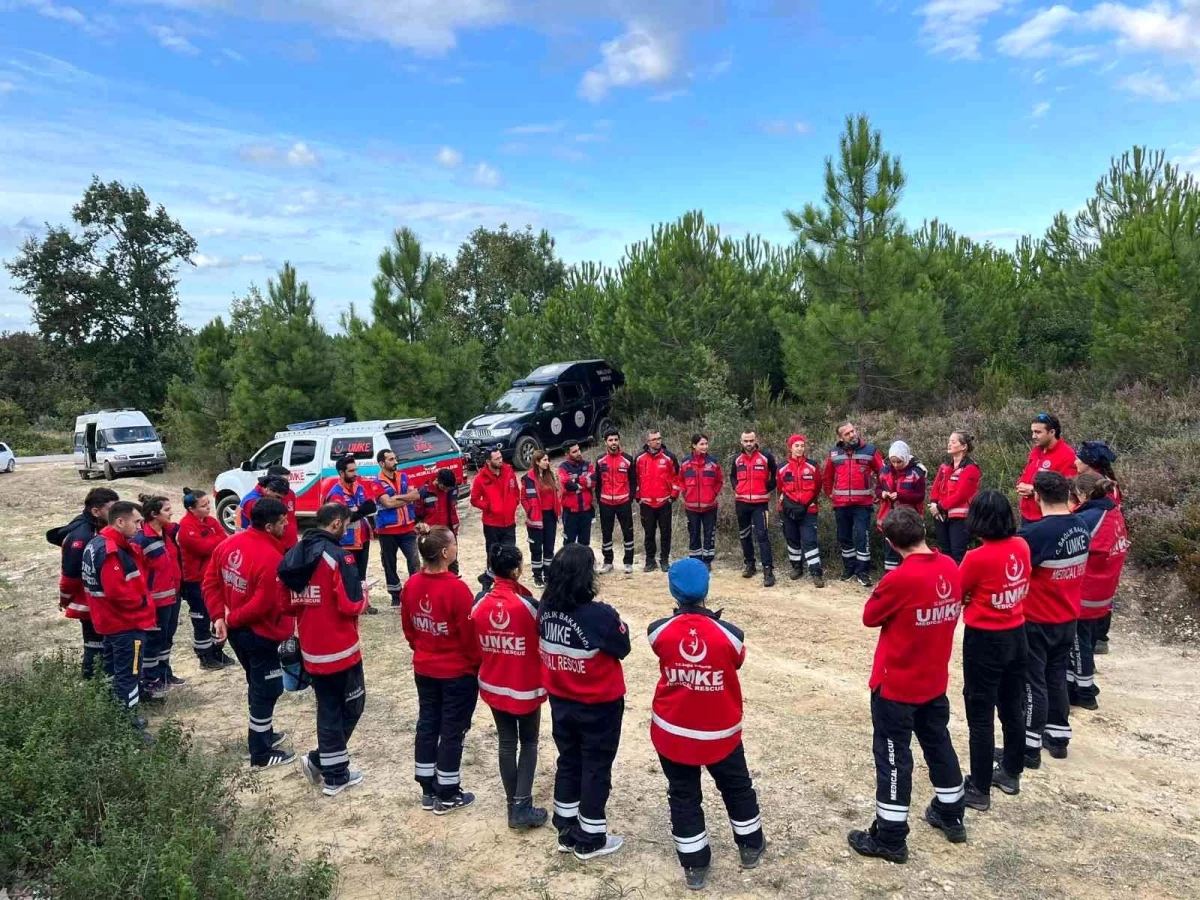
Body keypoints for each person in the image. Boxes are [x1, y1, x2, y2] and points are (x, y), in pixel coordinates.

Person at [848, 507, 966, 864]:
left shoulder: (899, 578)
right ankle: (952, 813)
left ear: (890, 542)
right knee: (939, 744)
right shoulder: (950, 567)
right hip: (933, 680)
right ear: (923, 531)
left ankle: (891, 837)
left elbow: (870, 617)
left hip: (896, 685)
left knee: (894, 759)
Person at [648, 559, 767, 890]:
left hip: (673, 732)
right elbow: (737, 660)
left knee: (683, 795)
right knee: (736, 787)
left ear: (673, 591)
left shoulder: (658, 631)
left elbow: (662, 646)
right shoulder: (731, 635)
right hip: (720, 733)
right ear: (707, 590)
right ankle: (750, 845)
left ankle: (694, 864)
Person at [539, 543, 630, 861]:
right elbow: (622, 646)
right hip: (598, 705)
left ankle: (565, 827)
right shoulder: (599, 615)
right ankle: (590, 837)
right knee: (595, 767)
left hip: (562, 702)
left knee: (569, 760)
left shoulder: (545, 608)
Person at [279, 502, 370, 794]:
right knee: (352, 705)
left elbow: (285, 603)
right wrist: (365, 594)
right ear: (335, 524)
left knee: (328, 708)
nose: (348, 529)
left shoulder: (294, 554)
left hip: (311, 648)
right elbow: (350, 605)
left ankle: (331, 770)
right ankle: (328, 768)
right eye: (346, 524)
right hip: (341, 648)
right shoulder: (338, 558)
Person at [203, 497, 296, 770]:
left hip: (238, 632)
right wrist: (229, 619)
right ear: (269, 526)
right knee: (266, 690)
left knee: (256, 684)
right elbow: (262, 604)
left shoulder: (228, 544)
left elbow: (210, 582)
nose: (287, 524)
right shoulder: (270, 559)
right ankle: (261, 753)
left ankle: (263, 732)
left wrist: (219, 617)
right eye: (282, 522)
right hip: (259, 634)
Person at [956, 491, 1030, 810]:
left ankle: (980, 787)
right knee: (1012, 707)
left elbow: (957, 592)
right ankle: (1011, 772)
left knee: (980, 715)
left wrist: (973, 599)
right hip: (1017, 633)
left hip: (985, 640)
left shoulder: (977, 558)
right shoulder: (1022, 546)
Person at [400, 525, 481, 814]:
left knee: (427, 723)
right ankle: (447, 793)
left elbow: (409, 628)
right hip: (456, 672)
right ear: (445, 553)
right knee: (451, 730)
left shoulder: (411, 585)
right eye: (454, 545)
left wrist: (423, 648)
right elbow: (470, 637)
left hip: (424, 668)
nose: (456, 549)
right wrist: (476, 665)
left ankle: (426, 787)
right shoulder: (456, 589)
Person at [469, 543, 548, 829]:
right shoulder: (528, 605)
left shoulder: (479, 602)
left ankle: (511, 804)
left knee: (506, 742)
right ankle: (521, 806)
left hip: (494, 683)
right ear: (517, 570)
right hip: (525, 686)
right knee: (528, 742)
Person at [1017, 471, 1089, 765]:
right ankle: (1059, 737)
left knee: (1033, 681)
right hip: (1068, 615)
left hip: (1038, 617)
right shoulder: (1081, 525)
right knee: (1057, 675)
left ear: (1037, 496)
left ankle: (1029, 745)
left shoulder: (1036, 533)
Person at [81, 500, 154, 730]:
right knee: (129, 676)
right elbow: (118, 593)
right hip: (125, 625)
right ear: (120, 521)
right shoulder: (111, 550)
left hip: (109, 623)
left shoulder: (97, 543)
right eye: (137, 522)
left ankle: (115, 718)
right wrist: (142, 603)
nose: (141, 527)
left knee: (114, 671)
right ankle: (129, 727)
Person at [1068, 473, 1129, 712]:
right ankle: (1077, 682)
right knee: (1087, 639)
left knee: (1077, 641)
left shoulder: (1089, 518)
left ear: (1082, 494)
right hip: (1104, 589)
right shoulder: (1114, 513)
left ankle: (1085, 692)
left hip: (1086, 590)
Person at [46, 486, 118, 679]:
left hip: (104, 601)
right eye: (112, 509)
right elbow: (69, 576)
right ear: (96, 511)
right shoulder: (81, 537)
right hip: (89, 603)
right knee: (95, 645)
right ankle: (93, 684)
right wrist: (65, 599)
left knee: (107, 644)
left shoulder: (100, 527)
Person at [177, 488, 235, 670]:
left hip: (215, 577)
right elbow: (203, 548)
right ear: (191, 508)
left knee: (217, 615)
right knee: (201, 619)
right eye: (204, 505)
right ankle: (204, 656)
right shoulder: (186, 527)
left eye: (208, 503)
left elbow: (225, 541)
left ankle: (217, 650)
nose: (208, 508)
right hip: (195, 581)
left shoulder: (210, 521)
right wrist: (216, 541)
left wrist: (216, 541)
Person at [133, 494, 184, 699]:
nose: (171, 513)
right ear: (154, 514)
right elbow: (138, 574)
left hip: (173, 596)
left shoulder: (167, 533)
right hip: (155, 601)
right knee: (153, 641)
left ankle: (164, 673)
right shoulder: (141, 540)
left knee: (167, 638)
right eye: (166, 510)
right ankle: (150, 679)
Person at [1074, 440, 1122, 654]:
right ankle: (1099, 636)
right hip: (1110, 551)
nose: (1075, 461)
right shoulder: (1106, 483)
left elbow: (1098, 526)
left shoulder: (1102, 492)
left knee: (1096, 596)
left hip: (1101, 556)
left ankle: (1100, 637)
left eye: (1079, 458)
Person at [824, 422, 884, 587]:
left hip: (862, 504)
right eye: (847, 433)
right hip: (841, 504)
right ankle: (849, 568)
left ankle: (862, 571)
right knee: (844, 537)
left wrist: (880, 492)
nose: (852, 435)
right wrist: (830, 494)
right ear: (840, 437)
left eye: (853, 431)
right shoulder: (834, 453)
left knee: (861, 536)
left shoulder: (870, 450)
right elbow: (827, 476)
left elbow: (883, 473)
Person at [325, 455, 379, 614]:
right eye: (351, 471)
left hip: (363, 537)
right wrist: (360, 510)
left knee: (362, 574)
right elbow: (342, 518)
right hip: (346, 540)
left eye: (356, 469)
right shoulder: (335, 493)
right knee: (349, 575)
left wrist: (357, 511)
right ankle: (350, 604)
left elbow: (371, 506)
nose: (355, 473)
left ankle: (364, 604)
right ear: (341, 473)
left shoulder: (359, 487)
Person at [373, 448, 422, 607]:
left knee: (414, 560)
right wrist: (404, 499)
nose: (396, 462)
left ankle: (415, 591)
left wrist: (397, 498)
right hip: (387, 530)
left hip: (408, 528)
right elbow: (387, 503)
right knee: (389, 563)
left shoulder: (404, 476)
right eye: (391, 459)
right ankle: (395, 595)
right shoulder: (376, 482)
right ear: (382, 463)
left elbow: (415, 495)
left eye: (395, 458)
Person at [729, 430, 778, 587]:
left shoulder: (766, 456)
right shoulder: (737, 459)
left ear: (756, 440)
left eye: (751, 440)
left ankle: (768, 570)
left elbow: (776, 474)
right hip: (742, 503)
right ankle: (749, 564)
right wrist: (737, 488)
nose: (749, 444)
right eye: (746, 441)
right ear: (741, 441)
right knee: (744, 535)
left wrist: (767, 487)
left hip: (760, 503)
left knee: (762, 536)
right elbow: (732, 476)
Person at [470, 445, 520, 589]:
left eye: (501, 457)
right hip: (492, 524)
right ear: (488, 461)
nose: (500, 460)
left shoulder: (509, 470)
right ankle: (489, 581)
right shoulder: (480, 478)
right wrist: (488, 506)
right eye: (497, 458)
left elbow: (515, 489)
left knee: (510, 553)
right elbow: (474, 499)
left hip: (509, 521)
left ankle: (508, 583)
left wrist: (515, 502)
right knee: (493, 554)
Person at [777, 434, 824, 586]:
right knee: (792, 539)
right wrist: (789, 505)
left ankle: (816, 572)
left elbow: (817, 487)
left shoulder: (812, 465)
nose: (800, 448)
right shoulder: (782, 467)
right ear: (790, 448)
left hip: (808, 510)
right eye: (796, 446)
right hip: (788, 510)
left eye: (802, 446)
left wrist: (805, 504)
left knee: (809, 540)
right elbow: (780, 488)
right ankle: (797, 567)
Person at [929, 431, 981, 565]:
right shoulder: (945, 467)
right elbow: (935, 488)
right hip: (941, 515)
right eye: (949, 441)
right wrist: (934, 504)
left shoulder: (970, 469)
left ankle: (961, 583)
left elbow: (961, 495)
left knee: (958, 553)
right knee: (945, 552)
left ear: (963, 446)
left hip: (960, 518)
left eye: (953, 442)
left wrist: (939, 507)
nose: (949, 444)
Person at [1016, 413, 1077, 526]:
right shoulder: (1036, 450)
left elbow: (1068, 489)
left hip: (1047, 518)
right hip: (1027, 515)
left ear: (1052, 432)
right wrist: (1021, 484)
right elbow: (1027, 473)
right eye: (1033, 431)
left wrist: (1034, 490)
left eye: (1038, 432)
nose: (1033, 436)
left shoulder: (1067, 455)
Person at [876, 442, 928, 573]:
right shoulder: (884, 471)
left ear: (905, 458)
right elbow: (878, 488)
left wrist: (900, 495)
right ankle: (890, 578)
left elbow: (920, 496)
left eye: (899, 462)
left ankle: (908, 577)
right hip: (887, 517)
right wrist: (882, 494)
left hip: (908, 519)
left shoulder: (916, 472)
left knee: (908, 551)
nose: (896, 465)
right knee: (889, 552)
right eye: (893, 462)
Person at [635, 429, 681, 573]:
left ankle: (664, 560)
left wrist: (673, 496)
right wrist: (638, 497)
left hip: (664, 503)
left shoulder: (669, 457)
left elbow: (677, 477)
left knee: (666, 532)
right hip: (647, 504)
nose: (658, 441)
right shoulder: (639, 458)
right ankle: (650, 561)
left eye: (659, 438)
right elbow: (634, 479)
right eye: (654, 439)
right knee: (649, 533)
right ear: (648, 442)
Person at [595, 430, 638, 576]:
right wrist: (599, 500)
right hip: (605, 503)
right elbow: (598, 483)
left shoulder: (628, 459)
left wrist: (630, 498)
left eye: (615, 440)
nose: (613, 443)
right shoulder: (600, 460)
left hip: (623, 502)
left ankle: (628, 562)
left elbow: (633, 481)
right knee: (606, 533)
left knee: (628, 532)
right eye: (610, 440)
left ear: (619, 441)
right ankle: (608, 562)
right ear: (605, 442)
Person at [678, 433, 723, 570]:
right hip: (691, 507)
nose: (704, 447)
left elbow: (719, 481)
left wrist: (713, 493)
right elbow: (680, 480)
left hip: (709, 506)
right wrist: (685, 493)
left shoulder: (713, 462)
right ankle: (695, 561)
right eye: (701, 444)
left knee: (709, 534)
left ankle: (707, 561)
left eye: (706, 444)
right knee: (694, 534)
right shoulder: (685, 463)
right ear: (694, 446)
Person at [522, 450, 561, 587]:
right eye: (544, 460)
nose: (547, 462)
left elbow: (556, 495)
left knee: (549, 547)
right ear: (537, 462)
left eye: (548, 459)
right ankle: (537, 576)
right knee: (536, 548)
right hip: (536, 517)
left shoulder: (550, 475)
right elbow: (523, 498)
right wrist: (530, 511)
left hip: (550, 515)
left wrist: (558, 511)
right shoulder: (528, 478)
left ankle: (548, 574)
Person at [417, 468, 462, 574]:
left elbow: (453, 506)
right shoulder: (424, 492)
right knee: (431, 565)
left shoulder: (453, 488)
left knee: (452, 563)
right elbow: (418, 515)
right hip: (431, 535)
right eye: (444, 487)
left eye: (448, 488)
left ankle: (453, 586)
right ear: (437, 480)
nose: (446, 490)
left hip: (449, 533)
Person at [240, 472, 296, 548]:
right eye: (277, 497)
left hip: (288, 542)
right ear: (268, 489)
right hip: (269, 545)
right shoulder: (252, 502)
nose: (279, 501)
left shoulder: (287, 493)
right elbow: (261, 530)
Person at [558, 442, 596, 547]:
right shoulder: (563, 468)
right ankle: (568, 564)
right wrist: (583, 483)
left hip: (586, 511)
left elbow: (593, 482)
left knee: (584, 544)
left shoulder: (588, 464)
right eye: (574, 451)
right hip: (570, 513)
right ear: (567, 454)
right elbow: (566, 486)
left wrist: (576, 480)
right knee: (569, 544)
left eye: (579, 450)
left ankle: (583, 564)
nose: (579, 453)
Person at [266, 465, 301, 549]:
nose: (286, 485)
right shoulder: (264, 498)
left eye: (287, 481)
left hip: (292, 542)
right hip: (277, 544)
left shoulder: (291, 493)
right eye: (283, 481)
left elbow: (291, 515)